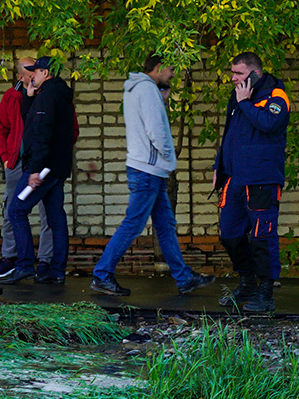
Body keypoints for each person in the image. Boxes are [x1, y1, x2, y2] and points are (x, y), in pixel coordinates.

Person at [89, 56, 213, 297]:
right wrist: (167, 155)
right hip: (147, 169)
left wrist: (162, 100)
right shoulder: (146, 89)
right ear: (158, 68)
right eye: (171, 69)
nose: (173, 74)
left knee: (165, 226)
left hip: (147, 169)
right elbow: (155, 128)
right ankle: (102, 274)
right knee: (133, 224)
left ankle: (184, 277)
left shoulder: (138, 89)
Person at [214, 52, 289, 313]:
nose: (233, 78)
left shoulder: (276, 96)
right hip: (235, 178)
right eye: (232, 73)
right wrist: (219, 167)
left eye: (239, 74)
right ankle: (246, 283)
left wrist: (245, 103)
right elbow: (230, 134)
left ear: (255, 74)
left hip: (261, 179)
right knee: (229, 233)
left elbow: (268, 124)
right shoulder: (237, 97)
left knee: (262, 237)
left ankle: (265, 293)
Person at [0, 56, 75, 285]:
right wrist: (30, 100)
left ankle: (24, 265)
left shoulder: (47, 97)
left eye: (36, 72)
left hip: (41, 170)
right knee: (56, 218)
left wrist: (34, 170)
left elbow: (40, 135)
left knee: (16, 211)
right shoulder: (60, 95)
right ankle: (57, 271)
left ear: (46, 73)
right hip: (58, 167)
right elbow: (39, 125)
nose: (32, 76)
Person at [0, 57, 54, 279]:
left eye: (35, 70)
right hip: (17, 163)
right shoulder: (11, 97)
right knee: (11, 211)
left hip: (44, 163)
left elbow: (68, 128)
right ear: (20, 77)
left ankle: (45, 261)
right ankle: (10, 258)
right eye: (29, 72)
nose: (33, 75)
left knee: (48, 214)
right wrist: (7, 158)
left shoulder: (49, 93)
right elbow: (1, 130)